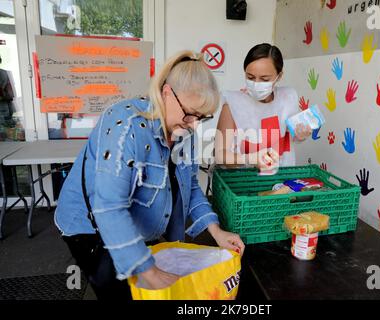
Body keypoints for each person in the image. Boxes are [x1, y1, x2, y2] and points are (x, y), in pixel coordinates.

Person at [54, 50, 245, 300]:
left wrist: (216, 231)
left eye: (202, 117)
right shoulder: (124, 126)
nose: (195, 125)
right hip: (91, 227)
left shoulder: (184, 130)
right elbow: (109, 207)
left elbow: (192, 187)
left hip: (140, 224)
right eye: (190, 113)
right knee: (120, 289)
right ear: (166, 93)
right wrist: (148, 269)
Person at [215, 43, 312, 170]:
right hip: (242, 181)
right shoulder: (233, 103)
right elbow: (220, 155)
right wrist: (252, 159)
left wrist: (301, 135)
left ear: (279, 76)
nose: (256, 84)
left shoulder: (288, 98)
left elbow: (291, 137)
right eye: (250, 77)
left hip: (281, 179)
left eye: (265, 79)